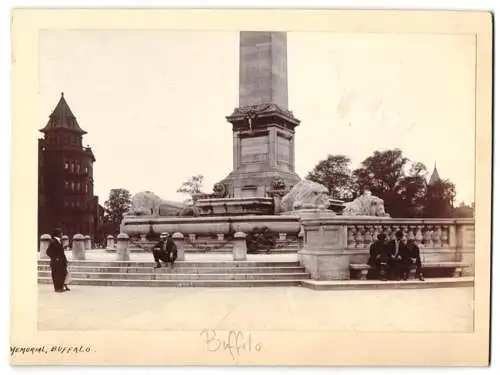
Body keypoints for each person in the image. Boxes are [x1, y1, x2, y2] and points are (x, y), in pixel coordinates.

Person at [45, 228, 69, 292]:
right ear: (58, 234)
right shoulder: (53, 241)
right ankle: (57, 288)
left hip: (61, 261)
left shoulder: (59, 241)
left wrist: (65, 260)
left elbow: (61, 252)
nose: (62, 234)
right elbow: (48, 252)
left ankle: (60, 287)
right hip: (55, 262)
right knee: (56, 275)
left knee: (62, 274)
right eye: (61, 233)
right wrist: (55, 258)